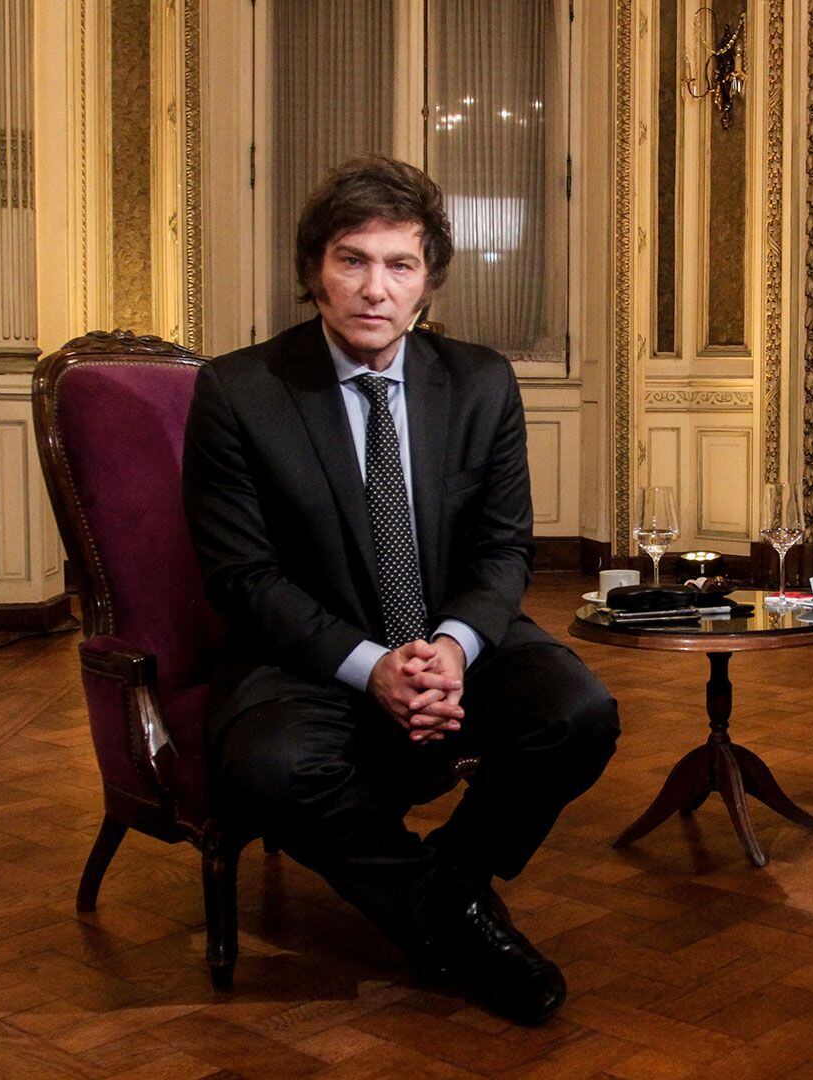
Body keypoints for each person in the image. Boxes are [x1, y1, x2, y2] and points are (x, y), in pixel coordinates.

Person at [183, 155, 618, 1023]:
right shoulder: (239, 391)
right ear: (314, 271)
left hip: (450, 636)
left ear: (428, 281)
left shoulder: (480, 381)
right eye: (352, 260)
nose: (374, 289)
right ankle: (453, 920)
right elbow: (244, 577)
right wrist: (371, 665)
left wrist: (452, 649)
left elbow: (503, 550)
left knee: (578, 713)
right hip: (308, 659)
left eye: (399, 264)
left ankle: (449, 878)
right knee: (270, 767)